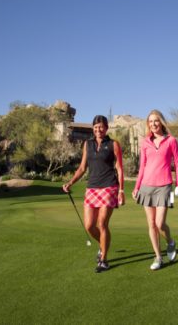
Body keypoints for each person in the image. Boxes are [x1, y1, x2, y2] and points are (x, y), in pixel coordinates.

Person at [63, 115, 124, 273]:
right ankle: (103, 245)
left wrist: (121, 190)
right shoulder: (87, 144)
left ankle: (103, 259)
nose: (98, 129)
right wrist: (71, 182)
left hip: (109, 186)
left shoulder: (113, 144)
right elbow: (82, 168)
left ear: (106, 128)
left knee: (102, 224)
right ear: (93, 128)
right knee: (89, 226)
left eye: (101, 127)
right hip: (92, 188)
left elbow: (119, 168)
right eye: (96, 127)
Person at [132, 110, 178, 271]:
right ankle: (158, 257)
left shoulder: (171, 141)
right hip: (146, 186)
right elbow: (142, 167)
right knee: (151, 224)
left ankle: (170, 242)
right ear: (148, 124)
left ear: (161, 122)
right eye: (151, 121)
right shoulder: (145, 142)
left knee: (160, 223)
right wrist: (137, 187)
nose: (153, 124)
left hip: (164, 185)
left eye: (156, 121)